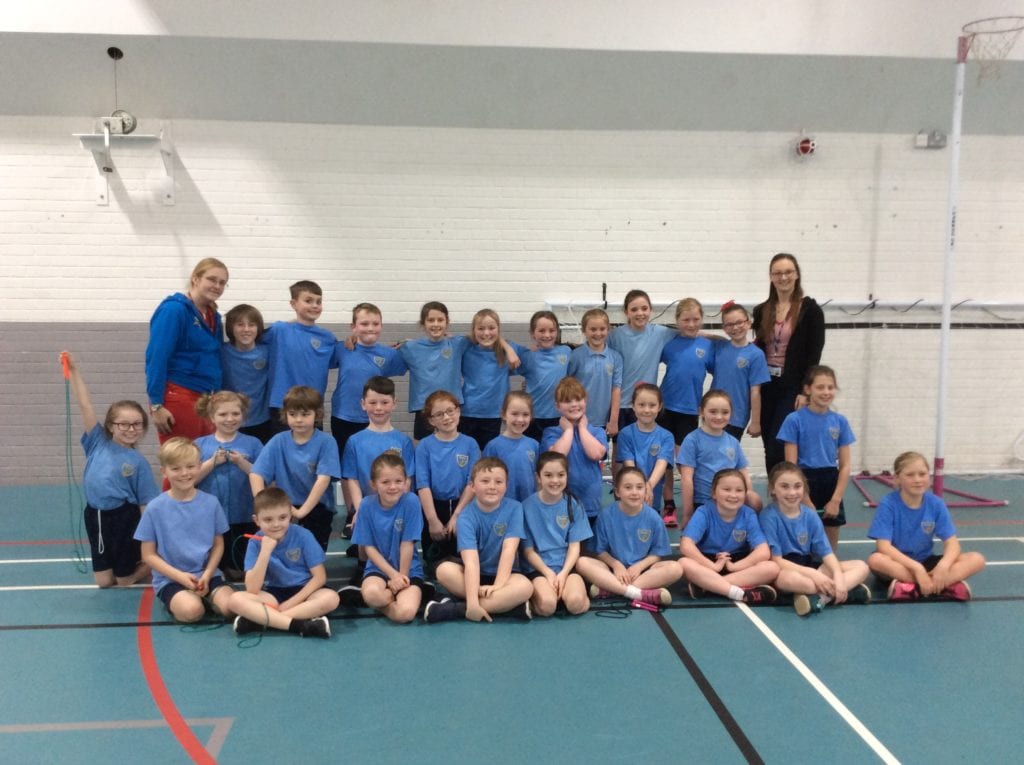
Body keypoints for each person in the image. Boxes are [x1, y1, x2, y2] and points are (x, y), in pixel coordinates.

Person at [64, 351, 158, 587]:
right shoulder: (97, 441)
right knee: (104, 582)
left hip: (124, 517)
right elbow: (85, 405)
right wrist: (73, 370)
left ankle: (151, 563)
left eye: (137, 424)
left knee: (124, 580)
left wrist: (150, 536)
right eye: (124, 424)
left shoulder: (138, 462)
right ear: (110, 426)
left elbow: (145, 503)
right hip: (95, 515)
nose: (131, 429)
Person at [134, 438, 235, 623]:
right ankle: (186, 600)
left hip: (206, 575)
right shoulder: (155, 508)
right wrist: (180, 577)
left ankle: (205, 597)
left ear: (199, 466)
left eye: (190, 466)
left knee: (231, 607)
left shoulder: (211, 503)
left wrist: (207, 574)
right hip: (171, 579)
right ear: (164, 471)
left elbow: (218, 544)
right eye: (176, 468)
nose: (184, 473)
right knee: (192, 612)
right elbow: (148, 555)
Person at [424, 458, 534, 623]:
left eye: (499, 482)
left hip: (505, 577)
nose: (492, 486)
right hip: (474, 576)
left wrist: (497, 586)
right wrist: (475, 599)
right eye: (485, 481)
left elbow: (509, 550)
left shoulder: (515, 508)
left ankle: (458, 609)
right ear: (473, 486)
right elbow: (471, 562)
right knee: (444, 570)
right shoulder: (466, 517)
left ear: (506, 486)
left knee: (526, 587)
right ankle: (506, 606)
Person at [867, 452, 985, 601]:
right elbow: (883, 546)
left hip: (927, 561)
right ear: (897, 478)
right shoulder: (888, 504)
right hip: (899, 563)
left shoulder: (936, 504)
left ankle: (913, 588)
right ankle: (943, 586)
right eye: (910, 475)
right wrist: (916, 568)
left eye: (922, 474)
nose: (917, 480)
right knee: (876, 560)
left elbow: (952, 543)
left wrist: (943, 565)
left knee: (977, 559)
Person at [330, 302, 408, 525]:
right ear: (353, 326)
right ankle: (353, 515)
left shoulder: (388, 354)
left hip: (375, 419)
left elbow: (410, 359)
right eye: (364, 324)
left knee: (376, 465)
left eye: (375, 323)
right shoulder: (343, 348)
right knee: (349, 470)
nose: (370, 328)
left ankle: (381, 509)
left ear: (381, 325)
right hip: (344, 417)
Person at [760, 462, 871, 616]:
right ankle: (844, 591)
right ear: (773, 488)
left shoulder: (810, 515)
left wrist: (838, 575)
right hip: (787, 570)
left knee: (862, 567)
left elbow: (827, 553)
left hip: (811, 565)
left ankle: (821, 597)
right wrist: (814, 575)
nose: (792, 492)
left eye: (797, 486)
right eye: (784, 487)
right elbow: (777, 560)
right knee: (789, 580)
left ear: (804, 488)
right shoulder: (769, 517)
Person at [228, 487, 337, 638]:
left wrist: (291, 603)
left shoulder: (303, 535)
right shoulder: (255, 542)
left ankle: (263, 620)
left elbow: (319, 578)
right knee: (235, 600)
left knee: (331, 598)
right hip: (275, 592)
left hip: (306, 591)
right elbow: (252, 588)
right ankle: (299, 626)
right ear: (256, 520)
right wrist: (265, 551)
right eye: (268, 520)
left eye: (282, 517)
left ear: (290, 516)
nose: (276, 524)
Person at [752, 253, 825, 473]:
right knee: (769, 443)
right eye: (777, 273)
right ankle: (775, 489)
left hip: (792, 386)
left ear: (796, 275)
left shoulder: (810, 310)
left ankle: (790, 487)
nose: (783, 277)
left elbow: (814, 354)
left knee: (781, 442)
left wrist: (805, 391)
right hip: (767, 384)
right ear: (771, 277)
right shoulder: (761, 311)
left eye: (788, 272)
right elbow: (757, 347)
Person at [145, 258, 229, 442]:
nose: (217, 286)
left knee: (205, 457)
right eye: (212, 279)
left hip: (208, 399)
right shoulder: (173, 310)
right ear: (195, 279)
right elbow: (156, 358)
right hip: (180, 396)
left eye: (222, 283)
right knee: (183, 458)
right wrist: (156, 405)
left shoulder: (213, 316)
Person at [250, 386, 341, 553]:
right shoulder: (278, 441)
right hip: (284, 509)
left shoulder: (326, 442)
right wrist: (264, 506)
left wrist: (301, 512)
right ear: (285, 414)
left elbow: (323, 479)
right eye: (293, 414)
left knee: (313, 555)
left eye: (305, 414)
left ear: (317, 415)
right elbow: (256, 474)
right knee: (283, 553)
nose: (298, 420)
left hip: (316, 508)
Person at [576, 466, 680, 609]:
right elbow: (600, 551)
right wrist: (616, 565)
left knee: (676, 568)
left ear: (646, 490)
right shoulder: (606, 515)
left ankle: (611, 589)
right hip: (613, 572)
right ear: (618, 492)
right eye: (628, 487)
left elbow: (657, 553)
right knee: (582, 562)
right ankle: (637, 593)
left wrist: (639, 566)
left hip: (642, 574)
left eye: (639, 487)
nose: (634, 492)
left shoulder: (653, 518)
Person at [777, 365, 854, 552]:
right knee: (803, 533)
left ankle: (829, 564)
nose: (826, 392)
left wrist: (836, 500)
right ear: (808, 389)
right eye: (820, 387)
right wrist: (804, 497)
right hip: (804, 479)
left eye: (830, 387)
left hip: (830, 480)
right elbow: (791, 466)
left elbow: (845, 466)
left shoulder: (840, 421)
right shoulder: (794, 420)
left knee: (830, 534)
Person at [678, 468, 780, 604]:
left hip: (738, 564)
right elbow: (686, 545)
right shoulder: (704, 512)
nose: (733, 495)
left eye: (739, 490)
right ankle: (740, 593)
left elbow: (763, 551)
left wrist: (734, 566)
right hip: (707, 564)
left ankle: (707, 587)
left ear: (745, 494)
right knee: (684, 563)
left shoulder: (748, 514)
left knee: (772, 568)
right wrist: (713, 566)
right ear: (714, 493)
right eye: (727, 489)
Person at [351, 453, 430, 623]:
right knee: (373, 595)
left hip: (407, 570)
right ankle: (376, 598)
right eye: (385, 482)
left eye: (398, 481)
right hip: (378, 569)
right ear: (373, 484)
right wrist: (392, 576)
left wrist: (401, 578)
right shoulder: (366, 505)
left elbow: (407, 544)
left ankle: (381, 600)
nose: (393, 487)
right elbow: (369, 548)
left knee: (405, 614)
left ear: (406, 482)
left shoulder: (411, 502)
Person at [194, 390, 263, 580]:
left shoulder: (253, 444)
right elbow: (190, 478)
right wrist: (211, 463)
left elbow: (265, 477)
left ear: (243, 415)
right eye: (223, 414)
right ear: (212, 417)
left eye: (235, 413)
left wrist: (242, 463)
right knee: (213, 567)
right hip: (210, 517)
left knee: (240, 569)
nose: (230, 419)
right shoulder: (200, 445)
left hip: (244, 515)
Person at [658, 298, 715, 521]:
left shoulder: (707, 346)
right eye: (686, 320)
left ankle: (694, 503)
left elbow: (719, 372)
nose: (691, 324)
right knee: (665, 460)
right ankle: (669, 503)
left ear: (702, 319)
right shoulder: (669, 344)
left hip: (689, 411)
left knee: (685, 462)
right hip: (665, 409)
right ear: (677, 320)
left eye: (695, 319)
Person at [520, 452, 593, 616]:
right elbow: (528, 551)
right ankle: (535, 599)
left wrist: (563, 573)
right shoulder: (526, 507)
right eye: (548, 475)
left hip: (566, 567)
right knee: (547, 606)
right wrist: (548, 573)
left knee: (575, 603)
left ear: (567, 476)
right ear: (538, 477)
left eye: (560, 475)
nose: (555, 480)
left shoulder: (573, 504)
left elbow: (574, 547)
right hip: (538, 569)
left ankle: (581, 593)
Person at [416, 390, 480, 575]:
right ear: (431, 420)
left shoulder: (470, 444)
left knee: (461, 563)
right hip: (434, 507)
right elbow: (423, 484)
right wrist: (432, 520)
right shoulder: (424, 446)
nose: (446, 417)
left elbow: (472, 483)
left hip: (463, 506)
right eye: (439, 414)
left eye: (450, 411)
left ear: (458, 411)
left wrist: (457, 516)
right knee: (434, 565)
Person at [341, 377, 416, 532]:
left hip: (396, 509)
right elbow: (352, 479)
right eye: (373, 402)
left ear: (394, 403)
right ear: (363, 404)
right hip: (367, 509)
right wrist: (361, 509)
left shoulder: (403, 441)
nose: (379, 408)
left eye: (385, 402)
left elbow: (407, 480)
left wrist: (397, 508)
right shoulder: (354, 441)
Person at [678, 390, 761, 528]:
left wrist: (748, 495)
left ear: (731, 414)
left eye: (725, 412)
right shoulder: (692, 440)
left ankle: (751, 528)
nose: (719, 416)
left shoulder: (733, 442)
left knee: (755, 500)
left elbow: (743, 472)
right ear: (701, 412)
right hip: (704, 501)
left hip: (730, 499)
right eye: (713, 411)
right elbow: (686, 479)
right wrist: (688, 514)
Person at [262, 280, 337, 428]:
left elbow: (343, 358)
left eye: (319, 302)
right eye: (308, 301)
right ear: (294, 304)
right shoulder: (279, 330)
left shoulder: (327, 338)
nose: (315, 305)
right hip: (282, 404)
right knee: (282, 442)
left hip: (313, 405)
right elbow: (250, 342)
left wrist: (353, 339)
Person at [397, 301, 470, 441]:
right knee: (423, 449)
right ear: (423, 323)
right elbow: (382, 353)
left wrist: (508, 349)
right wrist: (355, 339)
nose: (436, 324)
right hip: (425, 409)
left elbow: (486, 338)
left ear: (447, 322)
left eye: (440, 320)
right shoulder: (410, 347)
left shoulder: (458, 343)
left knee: (454, 448)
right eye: (431, 320)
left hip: (451, 409)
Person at [540, 376, 609, 524]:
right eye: (567, 401)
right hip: (560, 501)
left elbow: (596, 454)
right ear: (558, 406)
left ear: (585, 401)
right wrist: (569, 430)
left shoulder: (597, 432)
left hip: (589, 502)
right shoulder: (551, 433)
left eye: (578, 399)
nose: (574, 405)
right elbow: (556, 457)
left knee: (590, 538)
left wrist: (582, 429)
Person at [608, 289, 674, 435]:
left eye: (644, 308)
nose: (640, 313)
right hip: (621, 405)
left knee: (644, 444)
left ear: (651, 309)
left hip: (645, 406)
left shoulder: (660, 333)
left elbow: (687, 331)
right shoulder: (615, 336)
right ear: (626, 312)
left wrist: (718, 339)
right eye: (634, 309)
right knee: (620, 447)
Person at [460, 308, 520, 449]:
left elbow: (533, 353)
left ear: (498, 329)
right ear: (474, 330)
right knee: (467, 453)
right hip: (468, 411)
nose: (486, 333)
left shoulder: (505, 352)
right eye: (481, 328)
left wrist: (508, 349)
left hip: (493, 413)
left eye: (491, 328)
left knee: (488, 454)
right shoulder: (466, 349)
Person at [614, 383, 675, 519]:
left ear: (659, 406)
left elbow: (662, 464)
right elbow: (629, 466)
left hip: (652, 498)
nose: (647, 410)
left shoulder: (666, 436)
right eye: (641, 405)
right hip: (631, 497)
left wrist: (649, 486)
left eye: (652, 405)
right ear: (633, 405)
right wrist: (640, 487)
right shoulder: (625, 434)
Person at [712, 302, 770, 441]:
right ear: (724, 328)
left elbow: (755, 391)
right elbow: (710, 338)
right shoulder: (720, 347)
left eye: (739, 322)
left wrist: (755, 422)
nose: (735, 327)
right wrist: (698, 332)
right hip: (712, 411)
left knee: (726, 451)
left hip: (735, 417)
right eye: (730, 324)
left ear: (749, 323)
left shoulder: (756, 355)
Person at [220, 303, 274, 444]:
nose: (246, 329)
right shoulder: (222, 352)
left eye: (251, 325)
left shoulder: (267, 352)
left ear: (258, 328)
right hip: (230, 420)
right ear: (231, 327)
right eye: (240, 325)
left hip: (261, 420)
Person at [566, 307, 623, 435]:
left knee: (599, 449)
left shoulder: (616, 357)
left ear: (608, 330)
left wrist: (613, 421)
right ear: (584, 330)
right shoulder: (575, 356)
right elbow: (566, 387)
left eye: (602, 329)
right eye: (593, 329)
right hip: (577, 418)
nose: (598, 333)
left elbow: (616, 390)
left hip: (603, 421)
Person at [517, 310, 572, 441]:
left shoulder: (566, 352)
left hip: (558, 416)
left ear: (557, 331)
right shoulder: (527, 355)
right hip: (533, 417)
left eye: (551, 330)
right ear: (532, 333)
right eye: (541, 331)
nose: (547, 335)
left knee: (555, 452)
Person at [482, 391, 540, 503]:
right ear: (503, 414)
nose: (520, 419)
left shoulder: (534, 445)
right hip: (501, 504)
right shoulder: (493, 446)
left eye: (525, 414)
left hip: (528, 503)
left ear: (531, 417)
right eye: (514, 414)